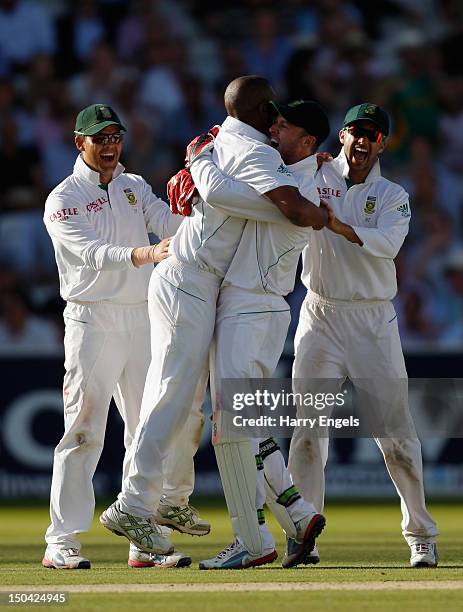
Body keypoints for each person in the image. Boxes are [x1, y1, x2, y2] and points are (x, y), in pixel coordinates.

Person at [100, 76, 329, 569]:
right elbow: (253, 199)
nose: (280, 122)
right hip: (191, 280)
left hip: (215, 289)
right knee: (181, 397)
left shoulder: (235, 143)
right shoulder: (258, 152)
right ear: (263, 112)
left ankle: (283, 516)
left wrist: (205, 164)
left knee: (222, 412)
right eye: (277, 114)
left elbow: (235, 193)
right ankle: (136, 503)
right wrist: (300, 208)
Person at [42, 103, 204, 570]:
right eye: (101, 138)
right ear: (80, 143)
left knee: (145, 429)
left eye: (116, 137)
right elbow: (91, 253)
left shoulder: (134, 186)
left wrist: (209, 212)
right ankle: (62, 541)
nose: (111, 146)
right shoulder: (63, 198)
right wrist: (147, 253)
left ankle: (142, 538)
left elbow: (172, 224)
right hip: (92, 320)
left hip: (142, 319)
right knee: (84, 431)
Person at [288, 103, 439, 567]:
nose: (361, 142)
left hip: (373, 322)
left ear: (382, 144)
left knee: (395, 436)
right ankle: (303, 533)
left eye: (371, 136)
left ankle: (420, 534)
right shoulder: (313, 173)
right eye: (355, 132)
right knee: (308, 433)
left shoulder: (393, 195)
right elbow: (276, 187)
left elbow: (387, 246)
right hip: (320, 316)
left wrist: (335, 223)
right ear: (343, 136)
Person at [184, 100, 331, 568]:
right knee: (252, 428)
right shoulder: (293, 170)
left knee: (231, 430)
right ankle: (298, 516)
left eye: (284, 126)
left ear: (307, 141)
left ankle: (252, 540)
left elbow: (223, 194)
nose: (274, 128)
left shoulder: (293, 185)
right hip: (255, 309)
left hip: (252, 307)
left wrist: (200, 159)